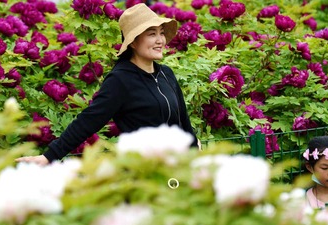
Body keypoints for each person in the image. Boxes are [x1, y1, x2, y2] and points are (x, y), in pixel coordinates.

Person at [16, 3, 199, 165]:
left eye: (161, 33)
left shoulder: (166, 74)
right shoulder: (121, 80)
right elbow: (89, 120)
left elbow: (183, 120)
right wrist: (49, 156)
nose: (160, 40)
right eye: (152, 34)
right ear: (133, 42)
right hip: (144, 171)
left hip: (178, 165)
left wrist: (193, 149)